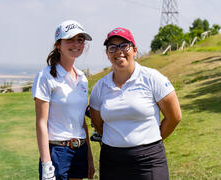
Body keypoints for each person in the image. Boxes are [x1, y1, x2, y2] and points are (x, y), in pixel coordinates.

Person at [89, 27, 182, 180]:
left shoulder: (152, 78)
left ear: (135, 50)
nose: (118, 51)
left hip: (149, 160)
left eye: (124, 45)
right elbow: (98, 124)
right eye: (112, 47)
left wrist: (152, 140)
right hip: (111, 161)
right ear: (107, 54)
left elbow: (174, 116)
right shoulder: (100, 86)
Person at [32, 20, 95, 180]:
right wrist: (47, 163)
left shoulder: (82, 78)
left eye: (80, 40)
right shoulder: (46, 77)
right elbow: (41, 123)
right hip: (57, 152)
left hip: (79, 149)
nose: (76, 44)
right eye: (70, 40)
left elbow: (81, 121)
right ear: (58, 45)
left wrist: (89, 156)